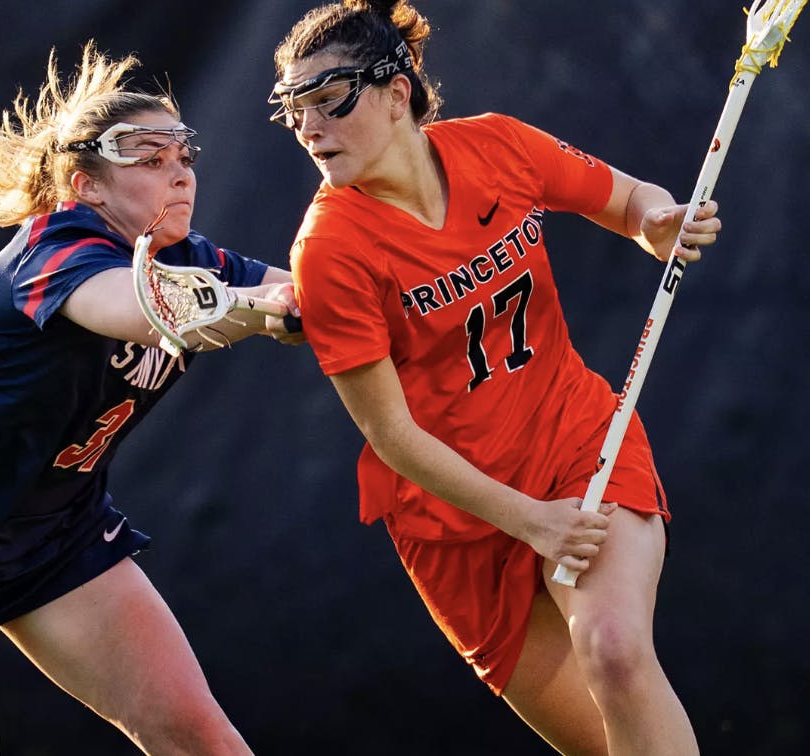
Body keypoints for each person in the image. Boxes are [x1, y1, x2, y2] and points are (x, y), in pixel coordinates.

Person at [0, 42, 298, 755]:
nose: (181, 173)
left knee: (206, 744)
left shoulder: (192, 257)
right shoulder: (57, 247)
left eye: (185, 155)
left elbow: (314, 294)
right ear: (86, 183)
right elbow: (153, 311)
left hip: (51, 534)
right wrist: (269, 306)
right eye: (149, 156)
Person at [269, 2, 721, 754]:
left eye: (329, 99)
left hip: (572, 446)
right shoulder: (330, 250)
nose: (309, 128)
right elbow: (392, 436)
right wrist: (528, 520)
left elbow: (631, 201)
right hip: (454, 520)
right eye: (294, 111)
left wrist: (654, 224)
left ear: (396, 91)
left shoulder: (499, 148)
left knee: (615, 652)